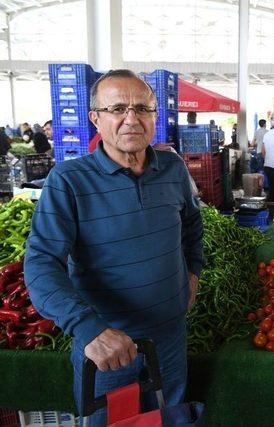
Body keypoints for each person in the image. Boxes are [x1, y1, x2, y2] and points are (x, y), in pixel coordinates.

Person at [24, 69, 203, 425]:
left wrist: (193, 273)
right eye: (117, 108)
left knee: (169, 415)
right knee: (109, 421)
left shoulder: (173, 168)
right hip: (109, 346)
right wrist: (88, 328)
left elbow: (191, 226)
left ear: (155, 116)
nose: (131, 119)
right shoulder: (69, 180)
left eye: (142, 108)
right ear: (95, 118)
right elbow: (42, 262)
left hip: (169, 336)